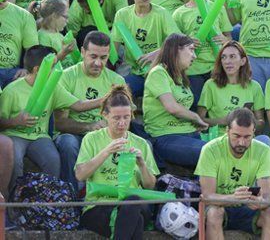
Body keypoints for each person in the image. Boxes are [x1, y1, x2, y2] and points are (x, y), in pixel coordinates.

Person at [0, 46, 98, 187]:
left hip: (40, 137)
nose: (56, 70)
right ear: (37, 70)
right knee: (15, 160)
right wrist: (16, 121)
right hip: (14, 135)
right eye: (52, 66)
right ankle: (16, 199)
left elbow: (79, 105)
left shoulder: (52, 87)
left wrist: (106, 98)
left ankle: (48, 201)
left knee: (53, 159)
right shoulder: (11, 91)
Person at [75, 84, 158, 240]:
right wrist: (106, 151)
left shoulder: (141, 143)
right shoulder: (91, 139)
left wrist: (141, 164)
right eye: (116, 118)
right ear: (105, 115)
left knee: (132, 203)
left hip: (133, 204)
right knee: (136, 219)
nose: (122, 123)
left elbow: (150, 185)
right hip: (99, 207)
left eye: (126, 117)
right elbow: (80, 175)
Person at [54, 31, 124, 185]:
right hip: (75, 134)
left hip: (105, 136)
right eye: (93, 56)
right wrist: (89, 126)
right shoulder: (66, 77)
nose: (98, 63)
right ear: (83, 52)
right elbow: (59, 123)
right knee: (67, 143)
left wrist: (111, 127)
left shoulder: (117, 80)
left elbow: (126, 118)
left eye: (103, 58)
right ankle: (71, 195)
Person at [197, 108, 270, 240]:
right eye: (236, 136)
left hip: (248, 208)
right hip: (220, 207)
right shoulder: (210, 150)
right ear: (227, 131)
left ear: (254, 132)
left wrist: (260, 202)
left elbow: (267, 196)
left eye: (247, 137)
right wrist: (233, 198)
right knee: (214, 213)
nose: (241, 142)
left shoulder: (263, 150)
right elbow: (207, 196)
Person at [143, 34, 208, 167]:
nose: (194, 56)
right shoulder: (158, 73)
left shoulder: (180, 76)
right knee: (211, 153)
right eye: (191, 49)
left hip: (189, 134)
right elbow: (171, 107)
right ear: (176, 49)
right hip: (166, 136)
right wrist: (195, 117)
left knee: (225, 150)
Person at [111, 0, 180, 96]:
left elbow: (178, 42)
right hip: (135, 71)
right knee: (118, 94)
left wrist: (158, 53)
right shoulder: (122, 14)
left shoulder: (162, 13)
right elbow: (114, 48)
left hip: (159, 71)